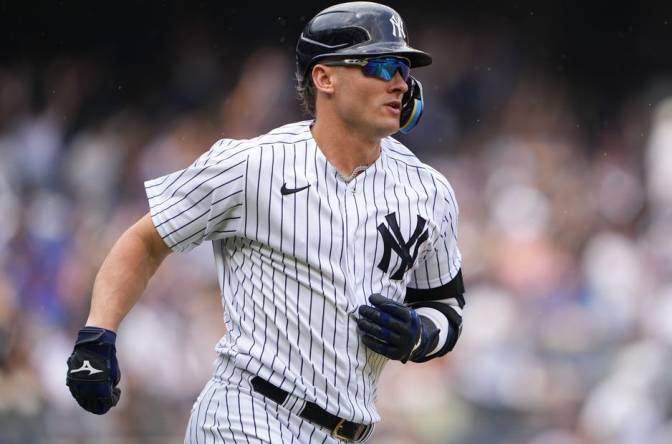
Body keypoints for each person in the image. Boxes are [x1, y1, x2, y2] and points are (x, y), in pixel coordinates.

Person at [65, 2, 465, 442]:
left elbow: (445, 305)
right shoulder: (252, 166)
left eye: (405, 69)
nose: (399, 82)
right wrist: (97, 335)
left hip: (348, 431)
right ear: (324, 77)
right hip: (248, 414)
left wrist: (420, 334)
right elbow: (145, 242)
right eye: (381, 65)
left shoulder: (429, 192)